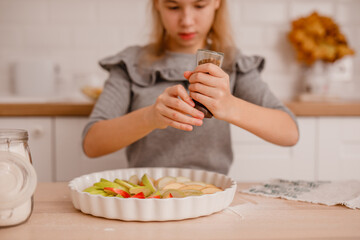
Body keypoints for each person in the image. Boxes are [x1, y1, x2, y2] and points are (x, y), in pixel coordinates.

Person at [82, 0, 299, 175]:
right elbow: (92, 143)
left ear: (217, 3)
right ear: (157, 4)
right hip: (147, 197)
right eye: (173, 7)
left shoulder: (234, 63)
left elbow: (289, 132)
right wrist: (151, 117)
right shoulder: (130, 63)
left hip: (212, 196)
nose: (186, 21)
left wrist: (231, 106)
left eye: (199, 5)